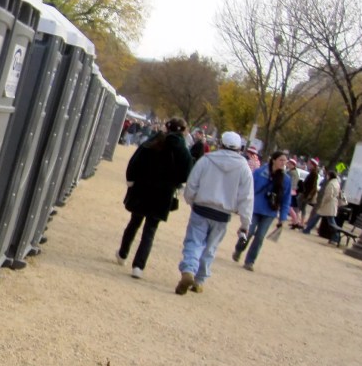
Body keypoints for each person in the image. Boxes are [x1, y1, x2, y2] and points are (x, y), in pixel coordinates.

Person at [175, 130, 255, 295]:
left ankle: (189, 268)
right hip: (223, 214)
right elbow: (246, 198)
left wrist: (191, 200)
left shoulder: (207, 160)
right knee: (210, 248)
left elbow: (192, 183)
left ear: (220, 144)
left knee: (194, 242)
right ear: (239, 148)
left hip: (201, 207)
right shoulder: (244, 168)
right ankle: (199, 280)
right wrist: (245, 223)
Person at [117, 117, 194, 278]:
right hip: (164, 194)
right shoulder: (183, 150)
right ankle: (138, 266)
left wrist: (131, 179)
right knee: (150, 230)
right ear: (183, 131)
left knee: (134, 222)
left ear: (167, 127)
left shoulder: (155, 140)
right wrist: (175, 182)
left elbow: (136, 160)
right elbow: (186, 174)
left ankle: (123, 253)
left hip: (143, 188)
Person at [233, 150, 292, 270]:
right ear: (274, 160)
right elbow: (249, 188)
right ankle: (239, 249)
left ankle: (250, 261)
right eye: (281, 160)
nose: (283, 163)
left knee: (260, 237)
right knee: (248, 232)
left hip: (270, 211)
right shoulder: (260, 172)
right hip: (254, 208)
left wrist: (283, 218)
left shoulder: (286, 179)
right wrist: (242, 204)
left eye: (285, 161)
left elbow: (286, 199)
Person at [302, 170, 343, 242]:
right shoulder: (336, 183)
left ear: (330, 176)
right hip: (330, 205)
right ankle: (307, 229)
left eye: (327, 175)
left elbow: (328, 195)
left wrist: (323, 202)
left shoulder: (331, 184)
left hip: (328, 205)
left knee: (329, 221)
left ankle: (335, 237)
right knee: (325, 219)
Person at [294, 158, 321, 228]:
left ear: (313, 165)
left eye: (310, 164)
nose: (308, 165)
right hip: (305, 193)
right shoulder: (312, 173)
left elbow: (313, 186)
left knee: (299, 206)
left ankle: (298, 221)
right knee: (301, 207)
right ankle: (300, 221)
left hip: (306, 194)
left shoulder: (314, 174)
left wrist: (309, 194)